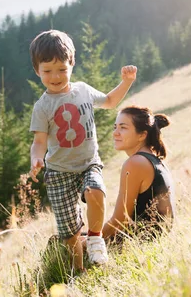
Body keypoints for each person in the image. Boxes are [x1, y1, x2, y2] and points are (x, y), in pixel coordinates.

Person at [28, 29, 137, 270]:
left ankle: (96, 239)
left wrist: (126, 82)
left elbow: (109, 102)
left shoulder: (83, 91)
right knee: (69, 232)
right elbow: (39, 142)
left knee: (95, 189)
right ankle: (79, 269)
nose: (55, 76)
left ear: (71, 64)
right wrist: (37, 159)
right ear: (37, 71)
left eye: (62, 69)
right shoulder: (43, 107)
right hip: (58, 173)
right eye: (47, 71)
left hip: (88, 162)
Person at [102, 106, 175, 242]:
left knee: (65, 242)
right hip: (149, 240)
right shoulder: (152, 159)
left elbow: (119, 220)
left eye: (123, 128)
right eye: (115, 127)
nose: (115, 133)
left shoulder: (136, 163)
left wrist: (94, 240)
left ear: (142, 135)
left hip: (137, 243)